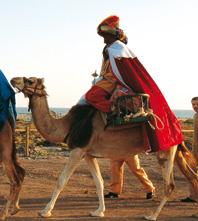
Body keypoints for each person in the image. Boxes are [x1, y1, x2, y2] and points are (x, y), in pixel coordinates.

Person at [80, 15, 183, 152]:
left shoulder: (116, 48)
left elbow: (118, 71)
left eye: (105, 36)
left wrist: (102, 80)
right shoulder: (111, 48)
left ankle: (111, 108)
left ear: (111, 35)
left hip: (110, 81)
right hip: (107, 79)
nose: (103, 40)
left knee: (90, 96)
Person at [180, 97, 198, 202]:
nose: (195, 106)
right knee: (191, 173)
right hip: (195, 151)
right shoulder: (195, 116)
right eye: (193, 104)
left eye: (197, 104)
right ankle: (193, 196)